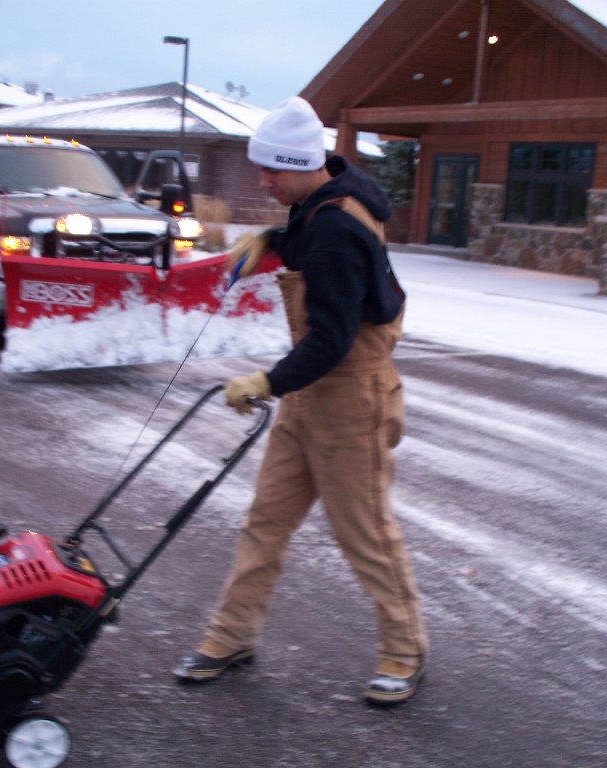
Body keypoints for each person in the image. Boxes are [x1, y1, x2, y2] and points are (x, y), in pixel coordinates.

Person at [173, 97, 428, 705]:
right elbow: (309, 231)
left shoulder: (338, 228)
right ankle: (230, 636)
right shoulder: (329, 198)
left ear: (302, 164)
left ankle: (405, 651)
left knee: (366, 533)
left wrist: (267, 382)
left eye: (272, 172)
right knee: (265, 521)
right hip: (312, 394)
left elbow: (334, 339)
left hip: (350, 396)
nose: (263, 181)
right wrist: (273, 241)